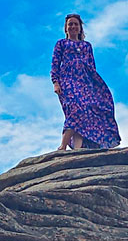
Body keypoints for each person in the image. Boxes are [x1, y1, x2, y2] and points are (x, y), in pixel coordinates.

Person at [50, 13, 121, 151]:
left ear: (80, 27)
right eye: (70, 24)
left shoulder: (87, 46)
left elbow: (92, 66)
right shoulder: (61, 44)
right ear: (66, 28)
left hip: (86, 82)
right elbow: (55, 64)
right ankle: (63, 146)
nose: (73, 26)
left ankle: (77, 149)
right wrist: (55, 82)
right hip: (68, 80)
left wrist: (96, 87)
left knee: (86, 111)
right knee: (75, 108)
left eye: (76, 24)